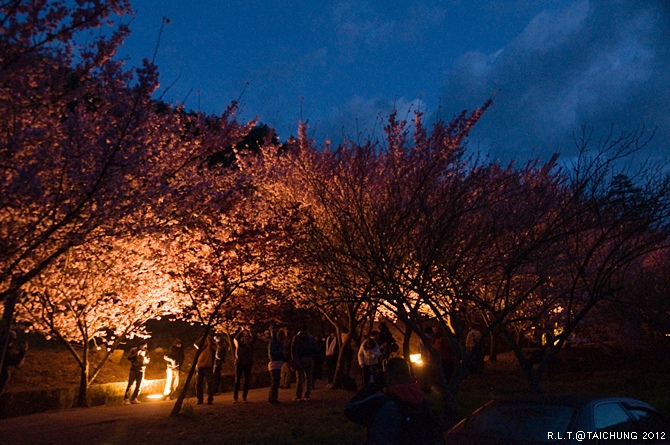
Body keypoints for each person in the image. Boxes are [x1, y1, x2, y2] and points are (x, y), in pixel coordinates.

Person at [345, 357, 446, 445]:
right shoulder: (423, 401)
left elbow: (350, 408)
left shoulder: (381, 403)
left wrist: (373, 385)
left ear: (388, 377)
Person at [291, 325, 317, 401]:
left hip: (300, 359)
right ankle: (307, 394)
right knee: (308, 377)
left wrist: (294, 359)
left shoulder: (296, 338)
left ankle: (298, 395)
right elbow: (315, 348)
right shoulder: (311, 338)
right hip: (309, 358)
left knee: (299, 377)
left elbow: (293, 349)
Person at [0, 329, 28, 394]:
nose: (11, 341)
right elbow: (14, 362)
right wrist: (22, 352)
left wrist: (22, 352)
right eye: (9, 339)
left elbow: (15, 362)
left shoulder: (8, 350)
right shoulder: (4, 350)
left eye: (12, 340)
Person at [124, 339, 149, 404]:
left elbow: (147, 361)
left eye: (144, 346)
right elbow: (129, 358)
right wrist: (136, 354)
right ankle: (126, 399)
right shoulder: (133, 350)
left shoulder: (146, 352)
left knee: (139, 385)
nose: (142, 347)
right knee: (130, 384)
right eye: (141, 346)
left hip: (142, 369)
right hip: (134, 369)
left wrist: (144, 357)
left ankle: (134, 398)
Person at [233, 328, 255, 403]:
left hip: (247, 363)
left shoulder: (250, 344)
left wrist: (250, 331)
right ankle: (235, 397)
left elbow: (254, 338)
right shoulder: (239, 345)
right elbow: (236, 338)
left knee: (246, 380)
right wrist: (241, 331)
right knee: (237, 381)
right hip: (239, 363)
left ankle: (244, 397)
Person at [194, 333, 216, 405]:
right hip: (200, 365)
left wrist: (209, 339)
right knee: (199, 383)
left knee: (209, 382)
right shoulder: (201, 347)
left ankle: (209, 399)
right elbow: (196, 344)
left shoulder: (210, 344)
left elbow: (215, 347)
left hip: (208, 365)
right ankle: (200, 399)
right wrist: (203, 337)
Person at [267, 328, 285, 405]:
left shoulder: (277, 342)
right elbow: (272, 353)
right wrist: (281, 353)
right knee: (275, 381)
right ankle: (272, 398)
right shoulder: (273, 343)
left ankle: (273, 397)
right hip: (275, 363)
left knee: (276, 381)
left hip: (277, 363)